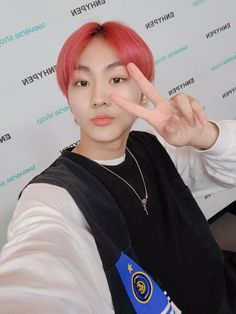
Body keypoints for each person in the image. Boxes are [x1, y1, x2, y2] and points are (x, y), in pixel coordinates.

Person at [0, 21, 235, 314]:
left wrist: (204, 135)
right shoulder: (53, 194)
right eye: (82, 83)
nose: (98, 98)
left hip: (218, 292)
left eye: (116, 79)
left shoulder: (152, 146)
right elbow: (39, 271)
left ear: (144, 93)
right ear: (70, 101)